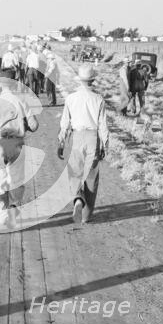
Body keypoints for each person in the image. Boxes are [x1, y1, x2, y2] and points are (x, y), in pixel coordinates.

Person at [0, 68, 38, 228]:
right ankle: (15, 206)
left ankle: (2, 215)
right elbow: (34, 126)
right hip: (17, 145)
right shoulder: (22, 101)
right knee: (17, 180)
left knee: (1, 181)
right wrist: (25, 124)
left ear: (0, 83)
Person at [58, 65, 109, 224]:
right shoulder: (98, 99)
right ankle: (86, 215)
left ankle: (78, 198)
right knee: (91, 176)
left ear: (79, 80)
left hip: (77, 136)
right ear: (93, 80)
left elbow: (65, 123)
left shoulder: (71, 98)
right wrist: (104, 146)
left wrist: (61, 142)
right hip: (93, 137)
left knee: (74, 172)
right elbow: (103, 125)